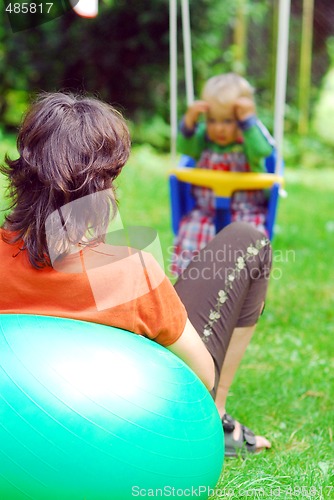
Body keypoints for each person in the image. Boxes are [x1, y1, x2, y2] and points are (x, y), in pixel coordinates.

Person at [0, 92, 272, 457]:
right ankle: (217, 419)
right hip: (126, 422)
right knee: (248, 241)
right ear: (102, 185)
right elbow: (202, 375)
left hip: (22, 416)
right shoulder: (132, 273)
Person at [172, 72, 275, 276]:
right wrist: (190, 121)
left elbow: (264, 150)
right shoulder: (203, 140)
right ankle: (191, 283)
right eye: (212, 120)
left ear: (242, 119)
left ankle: (244, 283)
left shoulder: (248, 142)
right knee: (191, 230)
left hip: (246, 211)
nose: (219, 128)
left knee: (251, 239)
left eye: (228, 121)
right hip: (205, 211)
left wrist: (248, 123)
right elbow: (185, 148)